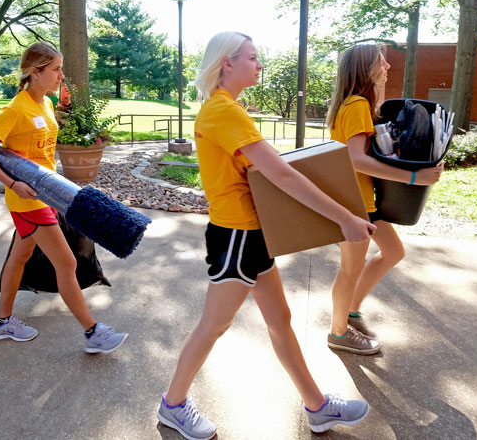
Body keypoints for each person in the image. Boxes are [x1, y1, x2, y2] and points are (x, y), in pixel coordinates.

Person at [155, 32, 377, 439]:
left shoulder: (225, 108)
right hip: (237, 236)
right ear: (227, 63)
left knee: (280, 319)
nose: (259, 65)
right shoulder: (223, 111)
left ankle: (317, 406)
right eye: (253, 58)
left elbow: (267, 170)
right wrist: (345, 217)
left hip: (249, 235)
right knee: (213, 325)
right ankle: (173, 404)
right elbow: (279, 173)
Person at [0, 42, 128, 353]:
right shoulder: (14, 109)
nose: (61, 76)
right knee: (66, 263)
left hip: (46, 195)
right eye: (55, 69)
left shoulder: (46, 103)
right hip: (27, 199)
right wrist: (11, 183)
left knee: (20, 256)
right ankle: (93, 332)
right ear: (34, 72)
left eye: (61, 69)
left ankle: (2, 323)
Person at [325, 44, 444, 355]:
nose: (388, 66)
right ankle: (338, 333)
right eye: (381, 62)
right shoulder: (355, 106)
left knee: (392, 251)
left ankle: (350, 312)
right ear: (365, 68)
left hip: (364, 200)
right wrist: (415, 178)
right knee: (349, 269)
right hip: (353, 201)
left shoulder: (359, 104)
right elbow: (355, 160)